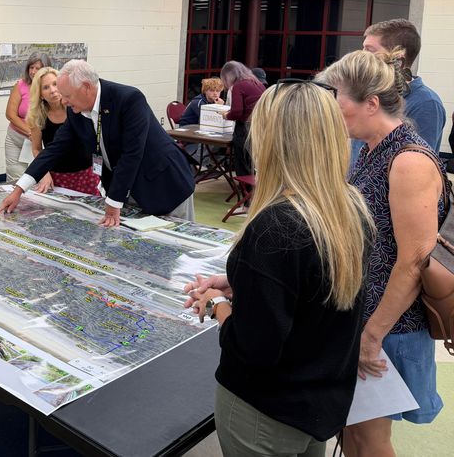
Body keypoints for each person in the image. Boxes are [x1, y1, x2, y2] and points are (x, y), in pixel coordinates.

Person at [184, 80, 372, 457]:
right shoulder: (351, 210)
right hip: (318, 404)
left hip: (264, 413)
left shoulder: (275, 228)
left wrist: (218, 302)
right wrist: (239, 281)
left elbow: (255, 349)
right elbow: (311, 292)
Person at [317, 49, 444, 456]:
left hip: (389, 324)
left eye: (338, 101)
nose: (333, 113)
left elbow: (413, 260)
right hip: (365, 316)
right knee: (353, 431)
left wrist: (372, 337)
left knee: (371, 440)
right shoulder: (372, 149)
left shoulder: (408, 161)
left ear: (370, 103)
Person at [0, 60, 195, 226]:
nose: (63, 101)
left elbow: (132, 154)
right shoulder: (77, 111)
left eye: (67, 95)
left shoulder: (128, 99)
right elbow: (54, 150)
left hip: (165, 185)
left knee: (176, 249)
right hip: (128, 190)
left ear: (86, 87)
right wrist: (20, 189)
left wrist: (114, 202)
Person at [350, 19, 446, 167]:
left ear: (398, 59)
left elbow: (419, 168)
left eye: (370, 50)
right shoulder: (371, 95)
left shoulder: (426, 104)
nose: (362, 57)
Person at [26, 67, 100, 195]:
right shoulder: (38, 116)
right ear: (40, 94)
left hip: (86, 174)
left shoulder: (77, 107)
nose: (53, 90)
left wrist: (99, 172)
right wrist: (44, 173)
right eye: (46, 87)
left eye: (55, 84)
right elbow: (36, 148)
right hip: (57, 176)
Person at [5, 52, 52, 182]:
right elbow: (10, 114)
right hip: (16, 138)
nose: (33, 71)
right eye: (31, 67)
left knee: (37, 179)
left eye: (38, 68)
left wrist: (36, 135)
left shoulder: (50, 88)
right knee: (15, 178)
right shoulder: (20, 85)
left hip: (39, 142)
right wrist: (30, 131)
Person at [220, 61, 265, 178]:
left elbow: (237, 112)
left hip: (246, 127)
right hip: (261, 125)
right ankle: (253, 189)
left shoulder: (238, 86)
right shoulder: (256, 83)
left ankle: (245, 188)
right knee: (253, 161)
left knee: (243, 161)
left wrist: (226, 115)